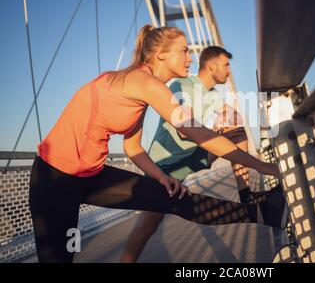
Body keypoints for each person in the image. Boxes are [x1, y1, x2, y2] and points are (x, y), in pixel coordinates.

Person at [29, 25, 287, 263]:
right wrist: (264, 167)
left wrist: (161, 177)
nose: (190, 58)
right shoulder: (145, 84)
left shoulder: (142, 90)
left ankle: (265, 212)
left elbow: (134, 148)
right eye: (184, 50)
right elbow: (200, 135)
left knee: (175, 199)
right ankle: (264, 211)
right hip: (54, 178)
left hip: (91, 175)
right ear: (162, 55)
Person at [120, 46, 281, 263]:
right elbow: (183, 131)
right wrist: (218, 130)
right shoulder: (182, 84)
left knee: (235, 125)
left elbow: (229, 119)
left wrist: (231, 117)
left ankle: (246, 194)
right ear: (212, 65)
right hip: (164, 167)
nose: (229, 71)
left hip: (194, 157)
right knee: (146, 228)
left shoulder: (213, 95)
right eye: (226, 65)